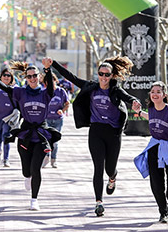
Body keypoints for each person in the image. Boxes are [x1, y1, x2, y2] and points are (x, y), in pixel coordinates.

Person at [47, 56, 140, 216]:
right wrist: (53, 64)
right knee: (98, 167)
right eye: (101, 74)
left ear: (112, 76)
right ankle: (99, 202)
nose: (104, 77)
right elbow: (71, 77)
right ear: (98, 74)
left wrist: (135, 102)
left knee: (109, 168)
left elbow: (129, 98)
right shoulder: (91, 87)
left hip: (113, 133)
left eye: (107, 75)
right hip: (96, 131)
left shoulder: (115, 90)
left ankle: (113, 177)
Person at [0, 58, 61, 211]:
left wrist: (48, 69)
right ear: (25, 78)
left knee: (36, 169)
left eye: (35, 76)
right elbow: (5, 88)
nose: (32, 79)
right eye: (29, 76)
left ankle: (34, 199)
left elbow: (51, 87)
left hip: (40, 134)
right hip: (25, 134)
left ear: (39, 77)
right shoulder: (20, 92)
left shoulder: (46, 93)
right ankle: (27, 177)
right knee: (26, 170)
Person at [133, 81, 168, 223]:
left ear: (164, 95)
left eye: (158, 92)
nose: (155, 94)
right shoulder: (151, 108)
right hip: (154, 148)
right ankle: (163, 212)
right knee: (156, 183)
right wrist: (139, 112)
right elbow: (151, 117)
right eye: (153, 91)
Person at [42, 73, 70, 168]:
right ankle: (46, 158)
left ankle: (53, 159)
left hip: (57, 119)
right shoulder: (43, 92)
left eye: (52, 81)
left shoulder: (61, 91)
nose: (50, 83)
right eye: (47, 82)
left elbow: (67, 103)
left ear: (55, 80)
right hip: (47, 119)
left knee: (55, 141)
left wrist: (62, 110)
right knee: (46, 140)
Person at [0, 68, 17, 167]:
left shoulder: (15, 88)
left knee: (6, 137)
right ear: (1, 77)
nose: (6, 77)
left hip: (9, 118)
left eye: (8, 75)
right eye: (4, 75)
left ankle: (6, 159)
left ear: (11, 77)